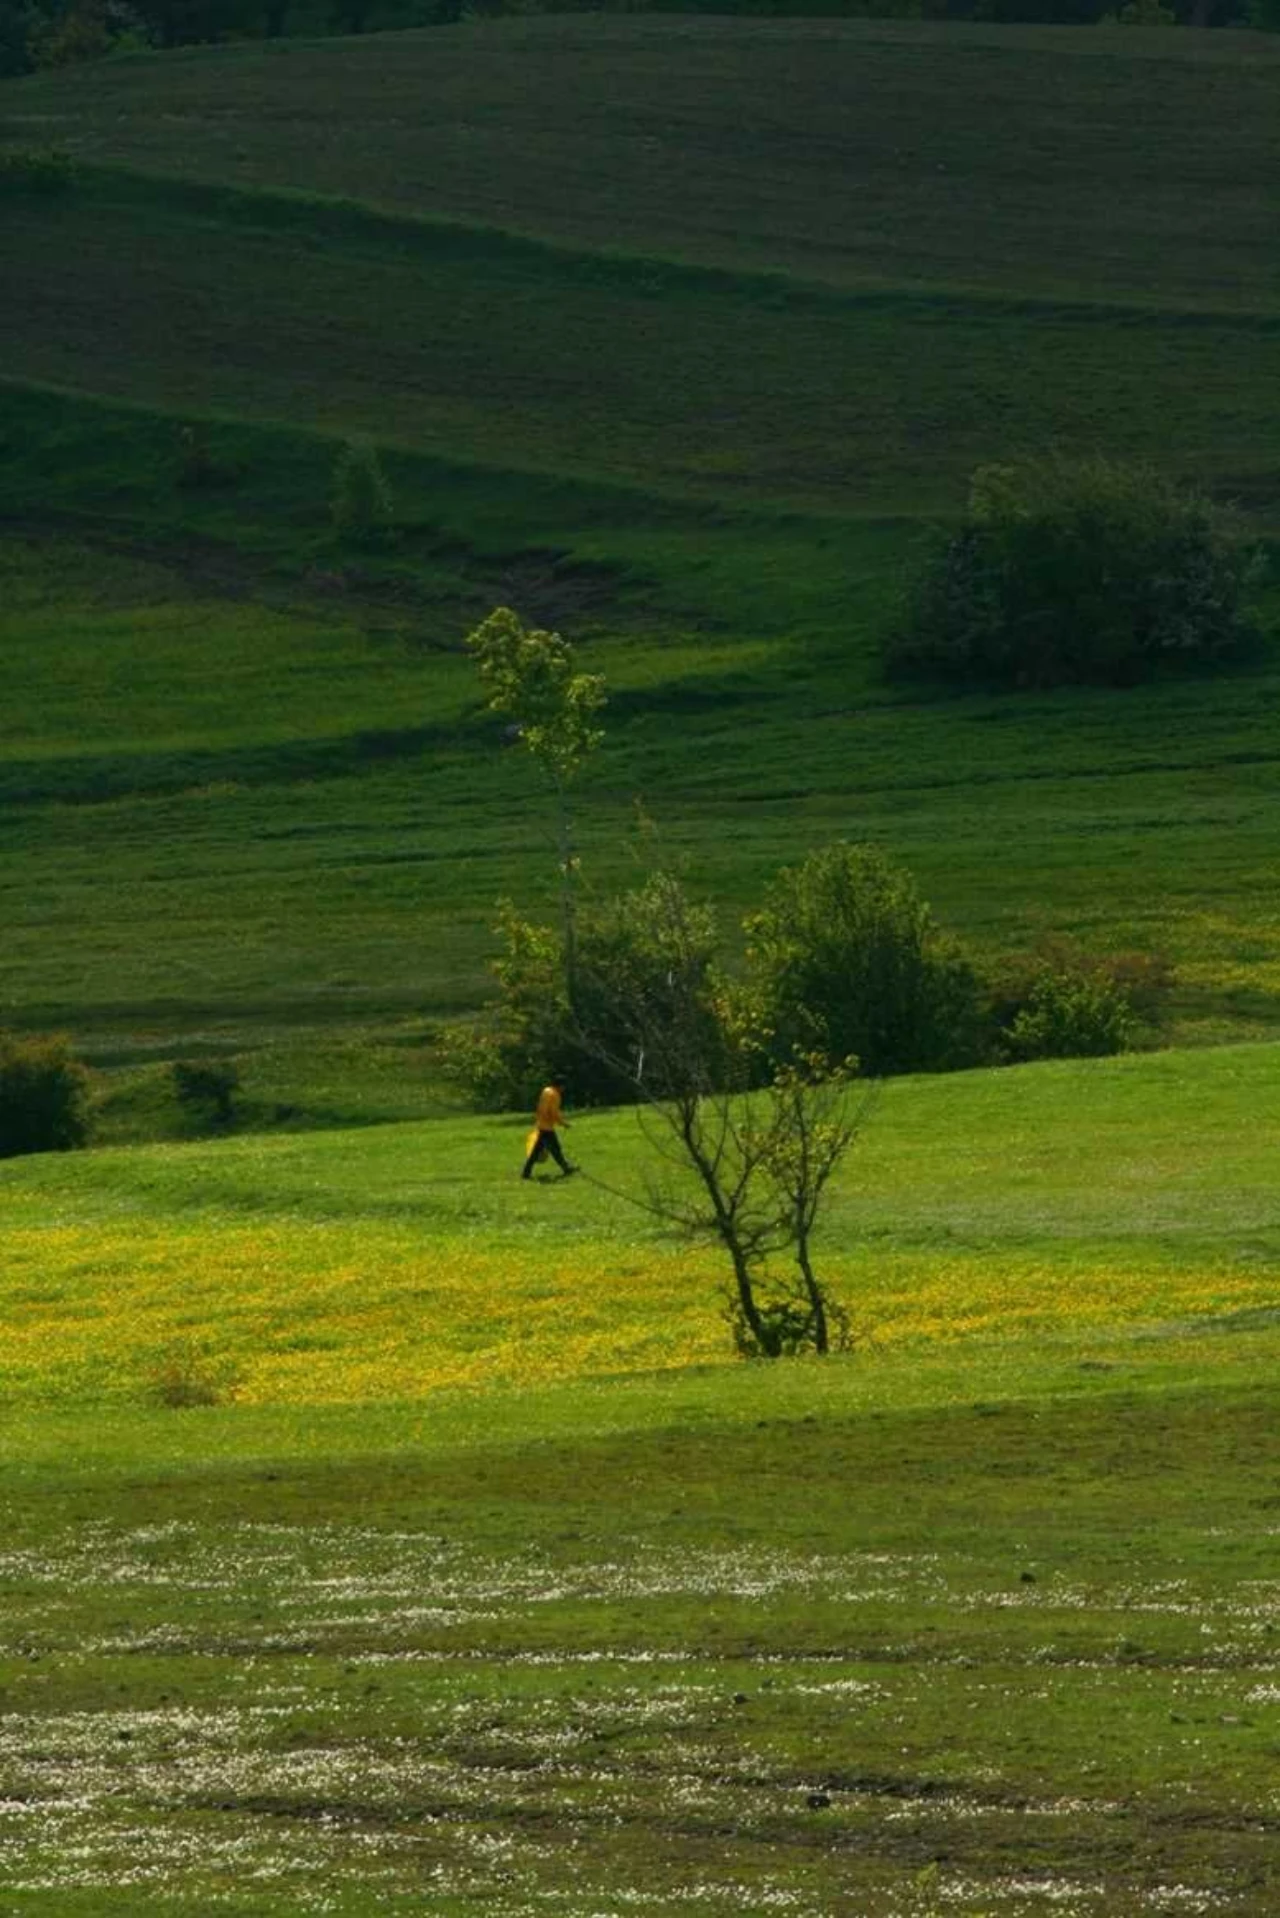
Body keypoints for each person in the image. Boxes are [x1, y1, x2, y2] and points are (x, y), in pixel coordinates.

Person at [521, 1079, 576, 1180]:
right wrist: (563, 1123)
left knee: (537, 1151)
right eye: (563, 1087)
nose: (563, 1089)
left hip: (541, 1124)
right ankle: (566, 1168)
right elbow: (553, 1112)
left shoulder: (546, 1091)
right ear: (560, 1086)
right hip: (547, 1127)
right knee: (555, 1149)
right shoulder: (555, 1095)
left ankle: (526, 1173)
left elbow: (540, 1107)